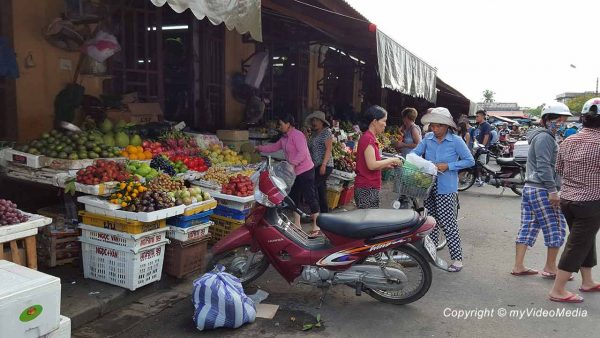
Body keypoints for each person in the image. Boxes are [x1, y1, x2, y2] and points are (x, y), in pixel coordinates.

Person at [511, 102, 572, 279]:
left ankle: (519, 266)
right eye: (558, 119)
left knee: (528, 226)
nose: (561, 122)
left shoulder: (543, 136)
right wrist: (553, 190)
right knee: (556, 227)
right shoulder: (545, 138)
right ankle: (550, 267)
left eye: (563, 119)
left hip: (532, 188)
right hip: (542, 189)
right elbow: (544, 166)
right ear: (547, 120)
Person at [549, 98, 600, 303]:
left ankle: (587, 281)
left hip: (568, 201)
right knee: (578, 243)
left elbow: (559, 169)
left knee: (584, 239)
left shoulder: (568, 141)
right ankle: (558, 289)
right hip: (592, 202)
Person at [412, 107, 475, 272]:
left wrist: (449, 166)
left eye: (439, 126)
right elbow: (415, 153)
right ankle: (431, 256)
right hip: (428, 186)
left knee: (448, 223)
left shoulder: (456, 141)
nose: (435, 129)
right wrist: (418, 162)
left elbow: (470, 161)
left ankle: (457, 259)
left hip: (447, 188)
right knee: (430, 222)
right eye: (433, 125)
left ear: (447, 126)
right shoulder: (428, 138)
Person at [256, 114, 320, 236]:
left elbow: (302, 153)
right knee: (294, 198)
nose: (279, 127)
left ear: (288, 124)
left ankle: (316, 226)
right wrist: (260, 148)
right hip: (293, 173)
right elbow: (274, 147)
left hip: (306, 171)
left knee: (310, 197)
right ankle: (297, 224)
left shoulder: (298, 135)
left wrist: (292, 164)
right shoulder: (284, 138)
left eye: (280, 124)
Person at [354, 105, 402, 209]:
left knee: (370, 220)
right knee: (367, 221)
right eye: (384, 121)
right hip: (366, 188)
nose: (385, 125)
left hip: (369, 187)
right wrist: (392, 159)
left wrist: (385, 165)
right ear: (374, 121)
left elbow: (371, 163)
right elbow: (372, 165)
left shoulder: (370, 137)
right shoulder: (368, 138)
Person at [306, 111, 334, 215]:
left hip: (325, 165)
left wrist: (323, 165)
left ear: (322, 122)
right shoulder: (314, 133)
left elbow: (328, 149)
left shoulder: (327, 132)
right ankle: (324, 213)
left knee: (313, 186)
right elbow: (309, 148)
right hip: (315, 165)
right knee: (321, 189)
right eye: (313, 120)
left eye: (316, 120)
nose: (314, 122)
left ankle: (315, 212)